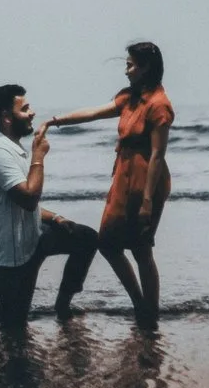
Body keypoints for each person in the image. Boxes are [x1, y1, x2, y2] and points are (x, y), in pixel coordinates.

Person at [43, 41, 174, 324]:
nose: (126, 71)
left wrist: (148, 201)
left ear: (146, 67)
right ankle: (140, 304)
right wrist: (55, 121)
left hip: (145, 182)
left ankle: (149, 312)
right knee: (108, 243)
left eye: (130, 65)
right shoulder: (130, 98)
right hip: (123, 179)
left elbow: (157, 155)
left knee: (141, 249)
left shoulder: (159, 105)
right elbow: (93, 112)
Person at [0, 82, 98, 322]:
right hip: (9, 252)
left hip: (33, 238)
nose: (32, 113)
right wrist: (38, 156)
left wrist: (57, 218)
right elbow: (28, 199)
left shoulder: (13, 148)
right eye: (25, 108)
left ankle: (62, 305)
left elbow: (26, 206)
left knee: (86, 237)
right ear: (6, 118)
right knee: (12, 321)